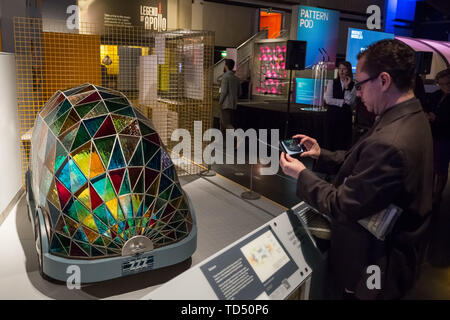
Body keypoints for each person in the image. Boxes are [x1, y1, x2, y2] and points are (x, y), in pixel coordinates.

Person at [280, 39, 433, 299]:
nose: (358, 93)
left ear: (384, 81)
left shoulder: (391, 142)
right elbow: (363, 164)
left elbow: (342, 205)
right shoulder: (409, 116)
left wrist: (301, 175)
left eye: (361, 84)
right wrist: (321, 155)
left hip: (373, 267)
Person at [425, 68, 450, 210]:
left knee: (441, 168)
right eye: (440, 84)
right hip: (432, 134)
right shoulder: (436, 94)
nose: (443, 86)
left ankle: (437, 196)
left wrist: (437, 118)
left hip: (445, 137)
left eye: (446, 83)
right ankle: (428, 193)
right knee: (431, 167)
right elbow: (427, 106)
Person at [323, 61, 357, 151]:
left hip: (345, 117)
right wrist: (342, 102)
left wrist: (346, 87)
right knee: (329, 141)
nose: (341, 71)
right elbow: (328, 100)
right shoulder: (332, 82)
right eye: (340, 69)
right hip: (332, 116)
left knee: (342, 142)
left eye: (344, 69)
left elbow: (349, 101)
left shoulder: (353, 85)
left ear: (348, 71)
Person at [219, 59, 241, 133]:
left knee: (226, 124)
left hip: (225, 104)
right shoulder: (236, 78)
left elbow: (224, 92)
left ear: (226, 66)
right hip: (233, 105)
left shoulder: (225, 77)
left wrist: (220, 102)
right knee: (223, 122)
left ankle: (238, 137)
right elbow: (240, 93)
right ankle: (222, 140)